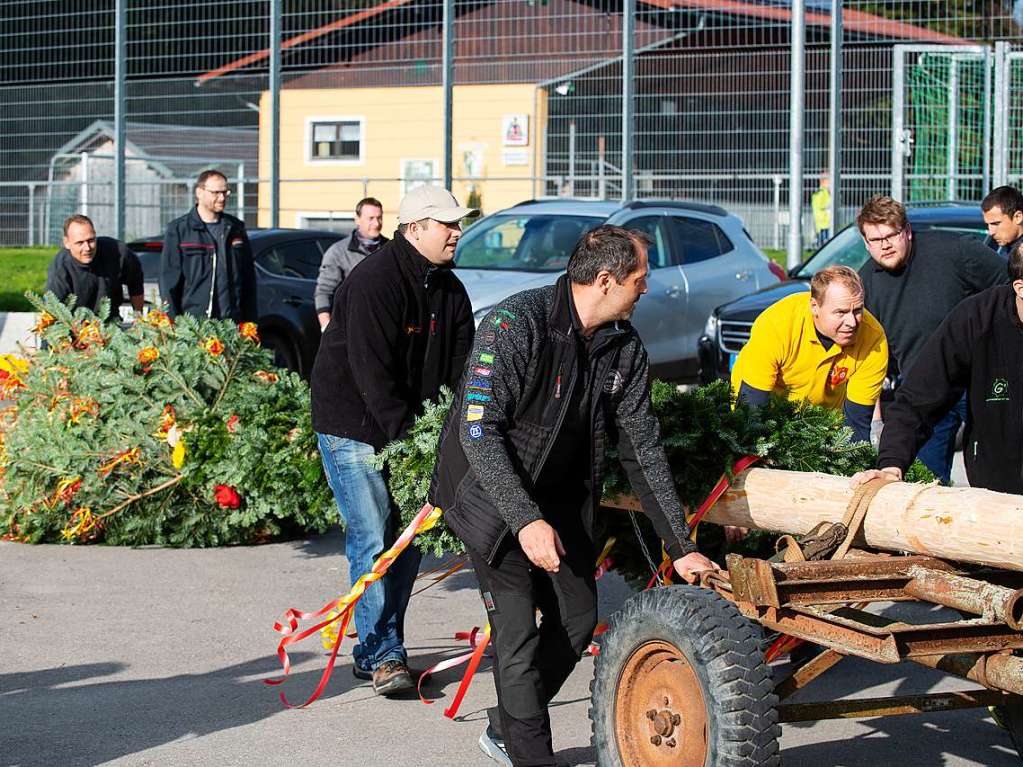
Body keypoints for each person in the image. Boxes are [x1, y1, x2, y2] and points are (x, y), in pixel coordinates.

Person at [429, 225, 718, 767]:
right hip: (491, 498)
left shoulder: (623, 347)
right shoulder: (516, 324)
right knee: (515, 636)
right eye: (640, 278)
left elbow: (642, 448)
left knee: (578, 616)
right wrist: (524, 521)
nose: (646, 288)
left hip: (561, 498)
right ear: (606, 280)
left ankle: (509, 724)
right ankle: (529, 753)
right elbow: (479, 431)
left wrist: (681, 547)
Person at [310, 186, 477, 695]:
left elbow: (461, 372)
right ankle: (383, 654)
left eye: (457, 223)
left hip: (407, 429)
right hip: (354, 424)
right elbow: (372, 375)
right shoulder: (373, 282)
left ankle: (378, 646)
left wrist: (455, 433)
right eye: (446, 224)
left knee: (406, 542)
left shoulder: (451, 291)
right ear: (414, 228)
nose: (456, 232)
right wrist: (410, 441)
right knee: (374, 535)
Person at [856, 195, 1007, 483]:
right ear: (866, 242)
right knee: (925, 480)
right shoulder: (867, 285)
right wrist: (876, 420)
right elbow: (868, 355)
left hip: (982, 379)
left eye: (891, 235)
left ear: (907, 231)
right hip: (925, 391)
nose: (884, 245)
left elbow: (1008, 291)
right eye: (875, 239)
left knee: (996, 474)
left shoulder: (955, 251)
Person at [731, 265, 888, 444]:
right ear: (815, 306)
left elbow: (857, 423)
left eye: (858, 310)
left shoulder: (873, 339)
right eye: (841, 312)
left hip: (822, 421)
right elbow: (752, 407)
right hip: (767, 409)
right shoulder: (778, 325)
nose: (852, 322)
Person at [159, 169, 256, 322]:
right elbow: (168, 283)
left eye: (225, 192)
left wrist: (250, 323)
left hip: (230, 325)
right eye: (215, 193)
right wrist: (173, 324)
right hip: (194, 326)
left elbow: (248, 281)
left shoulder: (235, 228)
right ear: (199, 192)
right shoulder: (179, 230)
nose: (222, 198)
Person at [45, 214, 144, 321]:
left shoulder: (117, 252)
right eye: (80, 243)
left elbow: (136, 284)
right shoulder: (60, 268)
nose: (87, 248)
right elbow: (53, 310)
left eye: (91, 240)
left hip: (111, 326)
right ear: (67, 243)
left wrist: (138, 320)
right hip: (75, 327)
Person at [314, 197, 388, 330]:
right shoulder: (338, 252)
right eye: (370, 218)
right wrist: (326, 328)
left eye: (379, 217)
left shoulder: (390, 250)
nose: (376, 223)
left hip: (385, 324)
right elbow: (323, 292)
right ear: (357, 219)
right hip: (351, 326)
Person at [982, 185, 1023, 258]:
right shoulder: (1007, 249)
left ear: (1018, 217)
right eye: (987, 225)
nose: (991, 232)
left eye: (996, 223)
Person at [812, 172, 832, 248]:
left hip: (825, 222)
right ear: (823, 182)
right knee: (824, 243)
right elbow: (821, 205)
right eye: (829, 182)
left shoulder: (825, 192)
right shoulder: (821, 193)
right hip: (823, 222)